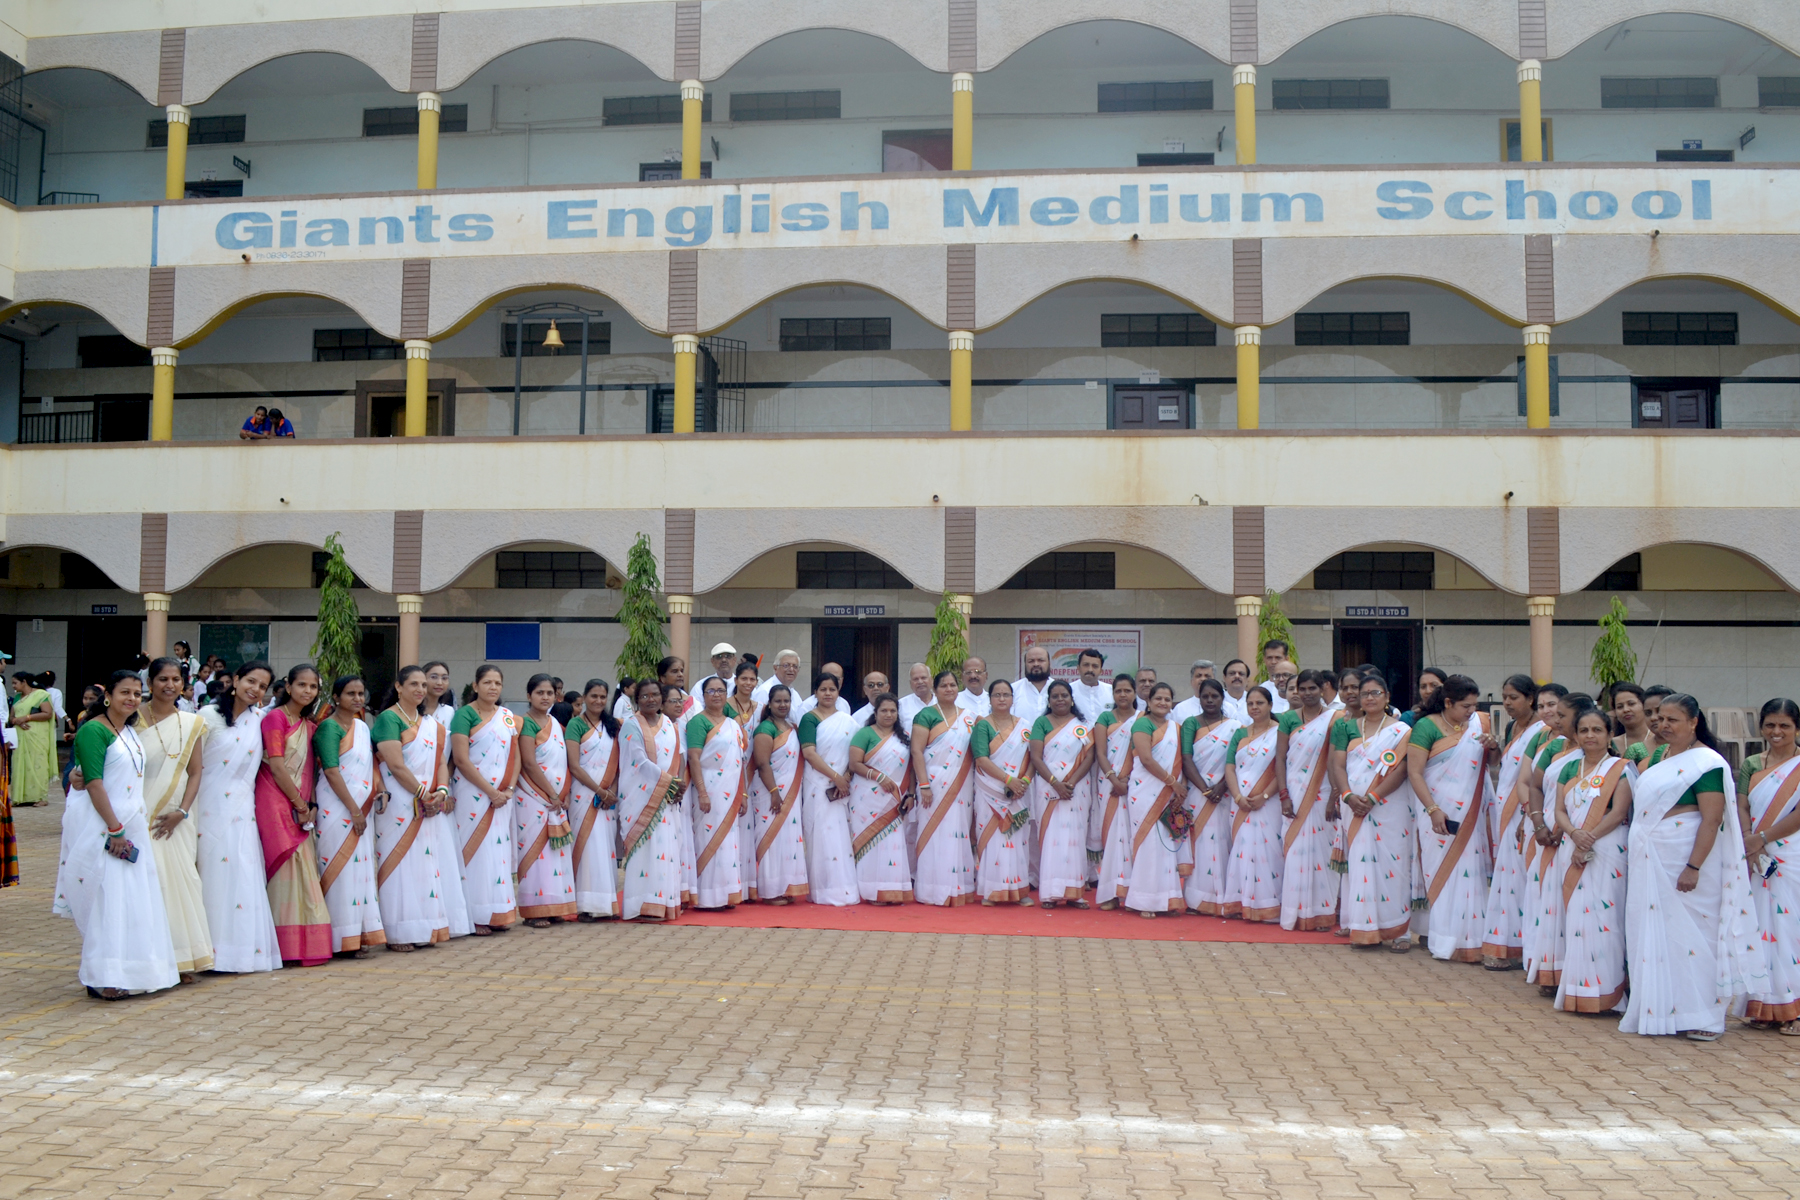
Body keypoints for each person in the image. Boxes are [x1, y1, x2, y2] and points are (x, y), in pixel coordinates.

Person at [1620, 695, 1764, 1041]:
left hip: (1687, 857)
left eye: (1673, 719)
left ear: (1694, 722)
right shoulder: (1660, 756)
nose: (1664, 724)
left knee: (1696, 936)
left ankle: (1706, 1016)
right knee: (1658, 934)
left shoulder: (1706, 763)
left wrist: (1693, 866)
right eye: (1660, 718)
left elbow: (1712, 819)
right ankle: (1662, 1010)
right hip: (1651, 858)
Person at [53, 671, 179, 998]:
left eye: (137, 694)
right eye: (125, 692)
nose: (132, 699)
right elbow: (92, 782)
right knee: (106, 900)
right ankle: (103, 978)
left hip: (130, 825)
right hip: (104, 825)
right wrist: (115, 829)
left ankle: (131, 972)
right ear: (107, 694)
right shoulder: (94, 729)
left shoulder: (129, 731)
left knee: (131, 900)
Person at [1543, 705, 1632, 1012]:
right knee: (1577, 918)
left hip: (1607, 848)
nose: (1590, 736)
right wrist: (1574, 834)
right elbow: (1558, 811)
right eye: (1583, 730)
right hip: (1573, 846)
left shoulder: (1621, 767)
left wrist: (1589, 837)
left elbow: (1619, 812)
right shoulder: (1569, 768)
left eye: (1597, 730)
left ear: (1609, 734)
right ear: (1576, 735)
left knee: (1605, 916)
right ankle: (1579, 991)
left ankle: (1608, 993)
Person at [194, 662, 282, 972]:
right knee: (208, 874)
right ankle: (202, 952)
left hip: (243, 809)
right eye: (250, 681)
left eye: (262, 685)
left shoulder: (260, 720)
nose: (255, 689)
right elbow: (189, 765)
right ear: (234, 680)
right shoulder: (207, 716)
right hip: (206, 804)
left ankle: (238, 953)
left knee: (241, 873)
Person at [1405, 674, 1495, 962]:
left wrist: (1493, 747)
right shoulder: (1425, 726)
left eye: (1473, 705)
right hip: (1436, 811)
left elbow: (1492, 763)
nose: (1471, 712)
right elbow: (1415, 773)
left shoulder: (1480, 724)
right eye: (1465, 706)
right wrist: (1433, 809)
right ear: (1447, 702)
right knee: (1440, 871)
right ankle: (1444, 938)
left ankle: (1471, 940)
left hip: (1472, 812)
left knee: (1471, 872)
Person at [1329, 671, 1417, 951]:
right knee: (1360, 864)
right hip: (1353, 805)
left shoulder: (1402, 730)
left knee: (1395, 864)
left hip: (1389, 808)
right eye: (1365, 694)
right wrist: (1347, 795)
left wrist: (1374, 796)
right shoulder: (1346, 727)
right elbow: (1338, 765)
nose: (1369, 698)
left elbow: (1403, 769)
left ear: (1387, 697)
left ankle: (1399, 931)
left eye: (1376, 693)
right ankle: (1364, 928)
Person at [138, 657, 212, 979]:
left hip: (176, 816)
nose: (170, 685)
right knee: (147, 885)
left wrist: (181, 812)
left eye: (176, 680)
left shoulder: (190, 722)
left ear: (184, 684)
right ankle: (149, 957)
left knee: (181, 883)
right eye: (162, 679)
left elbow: (195, 772)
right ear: (150, 683)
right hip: (138, 813)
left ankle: (183, 957)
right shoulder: (131, 718)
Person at [255, 664, 332, 966]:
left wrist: (308, 806)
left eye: (313, 687)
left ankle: (306, 946)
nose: (307, 692)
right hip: (274, 799)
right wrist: (300, 805)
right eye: (302, 685)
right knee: (283, 868)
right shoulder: (275, 719)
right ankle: (281, 946)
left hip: (300, 804)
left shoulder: (309, 726)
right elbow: (276, 765)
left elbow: (310, 771)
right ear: (288, 686)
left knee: (304, 870)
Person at [372, 664, 453, 951]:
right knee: (399, 864)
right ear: (399, 687)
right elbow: (395, 764)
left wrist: (440, 791)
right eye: (414, 684)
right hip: (400, 802)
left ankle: (425, 927)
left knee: (425, 862)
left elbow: (441, 762)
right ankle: (398, 932)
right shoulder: (388, 719)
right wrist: (422, 793)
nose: (420, 690)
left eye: (423, 685)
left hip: (427, 800)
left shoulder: (430, 723)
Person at [313, 674, 385, 955]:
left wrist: (380, 791)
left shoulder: (362, 727)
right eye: (350, 694)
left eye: (360, 693)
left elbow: (370, 765)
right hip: (336, 808)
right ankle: (337, 939)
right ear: (336, 698)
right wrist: (354, 810)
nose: (357, 698)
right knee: (340, 870)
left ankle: (357, 935)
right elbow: (331, 771)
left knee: (360, 871)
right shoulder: (329, 728)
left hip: (362, 809)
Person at [1741, 698, 1800, 1032]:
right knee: (1761, 928)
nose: (1776, 732)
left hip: (1790, 852)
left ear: (1796, 728)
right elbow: (1742, 804)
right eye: (1770, 725)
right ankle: (1765, 1007)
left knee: (1790, 931)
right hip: (1756, 855)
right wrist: (1749, 840)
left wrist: (1760, 838)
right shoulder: (1752, 763)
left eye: (1784, 726)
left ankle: (1794, 1008)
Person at [449, 664, 522, 934]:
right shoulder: (464, 715)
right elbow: (460, 759)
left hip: (504, 796)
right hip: (472, 794)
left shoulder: (507, 717)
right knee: (476, 852)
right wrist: (490, 792)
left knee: (498, 853)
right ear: (476, 685)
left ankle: (498, 913)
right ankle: (474, 915)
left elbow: (515, 758)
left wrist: (509, 790)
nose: (493, 687)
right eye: (487, 682)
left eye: (497, 683)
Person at [1480, 674, 1546, 969]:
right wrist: (1494, 747)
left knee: (1522, 877)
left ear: (1530, 699)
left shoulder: (1544, 731)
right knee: (1507, 877)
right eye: (1504, 697)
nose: (1507, 703)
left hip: (1524, 810)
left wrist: (1528, 813)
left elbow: (1534, 777)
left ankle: (1525, 948)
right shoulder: (1511, 726)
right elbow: (1501, 766)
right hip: (1504, 806)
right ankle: (1508, 945)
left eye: (1513, 697)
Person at [617, 679, 684, 921]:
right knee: (646, 851)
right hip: (641, 796)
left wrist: (677, 783)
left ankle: (663, 903)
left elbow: (678, 757)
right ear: (637, 700)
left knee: (666, 849)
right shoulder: (631, 726)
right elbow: (638, 761)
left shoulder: (670, 724)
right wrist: (671, 783)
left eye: (655, 695)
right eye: (644, 696)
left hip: (667, 798)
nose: (651, 699)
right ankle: (641, 906)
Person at [513, 673, 576, 926]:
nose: (545, 697)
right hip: (533, 797)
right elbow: (528, 762)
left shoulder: (558, 725)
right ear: (529, 696)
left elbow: (564, 763)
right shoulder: (525, 723)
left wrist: (566, 793)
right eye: (540, 693)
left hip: (557, 800)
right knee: (536, 852)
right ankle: (535, 911)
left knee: (556, 853)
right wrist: (551, 793)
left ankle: (555, 906)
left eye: (549, 693)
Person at [910, 669, 978, 906]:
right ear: (935, 690)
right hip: (934, 783)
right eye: (943, 686)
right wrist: (924, 785)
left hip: (962, 785)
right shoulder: (925, 715)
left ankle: (959, 887)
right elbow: (916, 751)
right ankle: (932, 890)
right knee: (933, 834)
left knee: (958, 833)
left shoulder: (970, 717)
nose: (949, 689)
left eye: (952, 685)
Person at [1277, 669, 1337, 932]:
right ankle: (1296, 912)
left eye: (1313, 688)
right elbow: (1280, 758)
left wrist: (1334, 797)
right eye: (1303, 689)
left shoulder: (1336, 719)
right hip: (1295, 791)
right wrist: (1284, 795)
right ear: (1296, 691)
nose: (1308, 693)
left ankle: (1324, 913)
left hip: (1324, 792)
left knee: (1323, 852)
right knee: (1296, 853)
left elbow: (1336, 761)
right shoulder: (1289, 718)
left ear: (1323, 689)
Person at [1122, 681, 1188, 917]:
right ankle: (1142, 901)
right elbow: (1147, 760)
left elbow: (1181, 761)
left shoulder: (1176, 728)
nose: (1162, 702)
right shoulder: (1142, 724)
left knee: (1165, 846)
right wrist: (1173, 784)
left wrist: (1180, 789)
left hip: (1170, 793)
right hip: (1145, 791)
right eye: (1157, 698)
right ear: (1148, 702)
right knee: (1147, 844)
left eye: (1167, 699)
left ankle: (1166, 899)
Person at [1028, 679, 1093, 909]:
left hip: (1076, 789)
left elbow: (1089, 757)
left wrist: (1071, 783)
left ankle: (1074, 892)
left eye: (1064, 695)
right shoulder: (1041, 723)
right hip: (1048, 788)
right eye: (1055, 696)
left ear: (1072, 699)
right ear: (1049, 700)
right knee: (1050, 839)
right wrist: (1056, 783)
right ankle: (1050, 893)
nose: (1060, 700)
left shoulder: (1082, 725)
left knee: (1075, 839)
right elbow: (1036, 757)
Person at [1221, 683, 1283, 922]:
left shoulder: (1281, 733)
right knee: (1242, 851)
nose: (1254, 707)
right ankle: (1242, 903)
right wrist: (1238, 797)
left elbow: (1282, 769)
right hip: (1241, 804)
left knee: (1270, 852)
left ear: (1270, 705)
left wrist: (1265, 796)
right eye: (1250, 704)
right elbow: (1229, 767)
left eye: (1259, 703)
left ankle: (1269, 906)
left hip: (1269, 804)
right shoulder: (1240, 733)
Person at [846, 692, 914, 904]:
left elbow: (911, 769)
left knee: (893, 843)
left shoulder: (904, 736)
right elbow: (854, 764)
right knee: (871, 843)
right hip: (867, 798)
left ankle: (892, 890)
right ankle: (871, 892)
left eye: (893, 711)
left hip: (895, 799)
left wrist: (911, 793)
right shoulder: (864, 733)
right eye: (884, 710)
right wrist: (879, 776)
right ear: (875, 713)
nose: (888, 714)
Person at [798, 671, 859, 906]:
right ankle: (822, 890)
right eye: (823, 689)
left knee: (841, 837)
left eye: (832, 689)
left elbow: (856, 753)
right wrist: (836, 777)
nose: (827, 693)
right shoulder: (809, 719)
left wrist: (846, 777)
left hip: (842, 788)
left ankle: (844, 889)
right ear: (815, 692)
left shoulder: (847, 720)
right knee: (820, 836)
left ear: (838, 692)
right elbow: (809, 753)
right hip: (818, 785)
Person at [686, 676, 747, 909]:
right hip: (709, 788)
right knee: (706, 838)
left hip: (731, 790)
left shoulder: (733, 724)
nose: (716, 695)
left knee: (728, 842)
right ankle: (707, 897)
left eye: (721, 690)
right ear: (703, 695)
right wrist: (702, 792)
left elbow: (739, 761)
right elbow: (694, 757)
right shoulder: (698, 723)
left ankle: (726, 893)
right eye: (711, 691)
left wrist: (742, 794)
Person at [1181, 677, 1240, 916]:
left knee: (1224, 841)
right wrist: (1205, 788)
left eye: (1214, 696)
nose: (1209, 700)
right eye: (1205, 696)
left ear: (1222, 698)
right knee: (1201, 843)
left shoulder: (1234, 726)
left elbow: (1236, 760)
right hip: (1199, 792)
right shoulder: (1190, 724)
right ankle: (1198, 899)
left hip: (1224, 791)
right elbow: (1186, 758)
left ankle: (1225, 898)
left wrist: (1222, 786)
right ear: (1199, 698)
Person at [972, 678, 1033, 906]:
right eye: (996, 695)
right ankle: (991, 891)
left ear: (1012, 699)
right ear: (990, 699)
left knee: (1019, 840)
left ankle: (1020, 892)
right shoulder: (983, 725)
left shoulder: (1025, 726)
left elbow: (1033, 758)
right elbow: (981, 759)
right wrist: (1008, 780)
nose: (1001, 699)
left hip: (1019, 792)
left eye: (1006, 694)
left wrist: (1022, 782)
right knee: (993, 841)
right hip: (991, 792)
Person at [566, 678, 622, 920]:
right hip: (584, 794)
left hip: (609, 797)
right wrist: (599, 791)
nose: (598, 701)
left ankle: (606, 903)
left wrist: (613, 792)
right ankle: (585, 905)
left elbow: (620, 764)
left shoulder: (614, 725)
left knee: (606, 849)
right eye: (593, 696)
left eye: (602, 697)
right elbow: (574, 766)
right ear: (585, 698)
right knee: (588, 846)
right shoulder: (575, 725)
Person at [749, 684, 807, 904]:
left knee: (789, 839)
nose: (783, 705)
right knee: (771, 839)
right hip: (769, 791)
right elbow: (762, 764)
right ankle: (771, 890)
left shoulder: (793, 727)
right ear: (769, 704)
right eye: (778, 701)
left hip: (791, 791)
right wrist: (774, 792)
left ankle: (787, 887)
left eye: (786, 701)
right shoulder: (765, 728)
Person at [1090, 674, 1140, 909]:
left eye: (1127, 690)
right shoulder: (1104, 718)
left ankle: (1133, 894)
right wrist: (1114, 779)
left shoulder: (1142, 719)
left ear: (1134, 693)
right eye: (1118, 691)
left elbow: (1143, 752)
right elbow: (1100, 753)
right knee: (1111, 836)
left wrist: (1127, 780)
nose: (1122, 695)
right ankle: (1110, 892)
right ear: (1113, 694)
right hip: (1108, 783)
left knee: (1133, 836)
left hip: (1136, 784)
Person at [10, 671, 54, 806]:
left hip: (37, 736)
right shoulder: (17, 698)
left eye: (15, 683)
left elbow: (47, 713)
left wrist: (27, 718)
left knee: (38, 764)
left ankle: (40, 797)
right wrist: (17, 721)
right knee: (19, 764)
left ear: (24, 682)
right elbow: (11, 717)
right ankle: (19, 797)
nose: (13, 686)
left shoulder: (41, 695)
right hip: (20, 736)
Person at [1010, 646, 1054, 726]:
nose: (1036, 664)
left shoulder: (1060, 689)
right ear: (1025, 664)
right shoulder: (1013, 689)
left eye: (1041, 660)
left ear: (1049, 663)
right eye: (1031, 661)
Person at [1609, 683, 1655, 761]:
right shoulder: (1611, 744)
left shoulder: (1659, 739)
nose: (1626, 709)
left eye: (1631, 704)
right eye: (1620, 707)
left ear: (1644, 705)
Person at [1069, 649, 1112, 724]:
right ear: (1078, 668)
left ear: (1101, 671)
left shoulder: (1111, 691)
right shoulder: (1068, 691)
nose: (1090, 669)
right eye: (1086, 665)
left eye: (1095, 666)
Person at [1170, 659, 1217, 724]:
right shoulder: (1180, 709)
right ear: (1191, 681)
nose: (1203, 679)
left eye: (1207, 676)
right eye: (1199, 676)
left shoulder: (1227, 708)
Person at [1219, 659, 1254, 725]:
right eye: (1232, 673)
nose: (1237, 676)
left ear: (1247, 679)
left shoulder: (1254, 700)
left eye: (1241, 674)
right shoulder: (1218, 700)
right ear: (1224, 677)